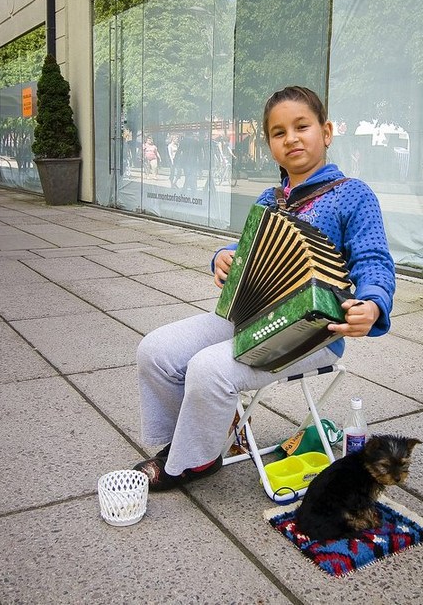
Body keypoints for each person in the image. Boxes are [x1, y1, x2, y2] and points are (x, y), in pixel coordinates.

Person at [132, 85, 396, 491]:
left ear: (326, 132)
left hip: (315, 333)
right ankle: (192, 444)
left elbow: (374, 260)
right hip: (250, 318)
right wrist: (223, 256)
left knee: (208, 367)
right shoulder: (269, 199)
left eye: (302, 126)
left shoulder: (353, 195)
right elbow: (248, 249)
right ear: (270, 145)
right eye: (278, 132)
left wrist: (374, 304)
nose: (291, 138)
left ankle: (191, 462)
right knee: (156, 351)